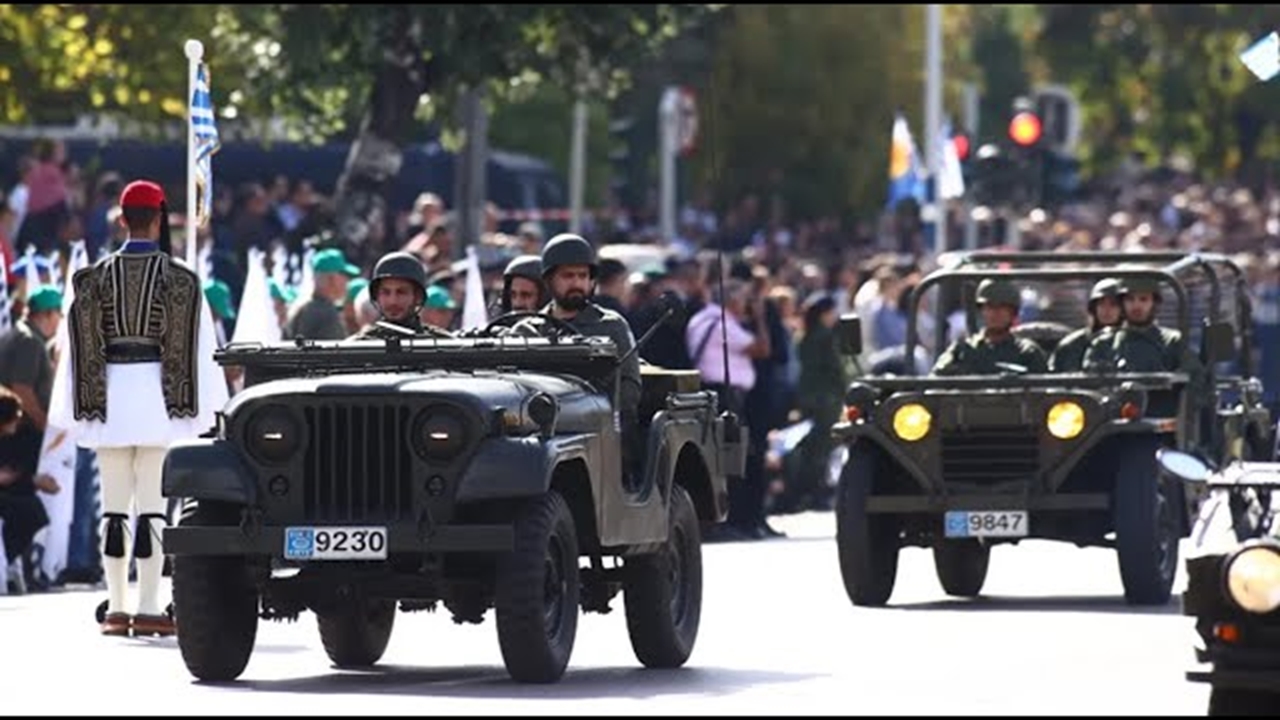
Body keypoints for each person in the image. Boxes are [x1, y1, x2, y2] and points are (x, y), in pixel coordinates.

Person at [48, 179, 228, 637]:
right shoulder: (183, 279)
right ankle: (149, 606)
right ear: (160, 217)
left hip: (107, 400)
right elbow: (200, 349)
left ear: (122, 219)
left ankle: (116, 607)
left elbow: (76, 352)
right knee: (152, 509)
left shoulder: (90, 279)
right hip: (158, 402)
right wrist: (205, 408)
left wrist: (78, 406)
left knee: (113, 509)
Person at [932, 278, 1048, 376]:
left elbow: (1046, 393)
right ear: (981, 311)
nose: (995, 314)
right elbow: (936, 380)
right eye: (990, 307)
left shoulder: (1027, 352)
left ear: (1013, 313)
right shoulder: (962, 350)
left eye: (1002, 307)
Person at [349, 251, 448, 340]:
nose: (393, 301)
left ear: (417, 296)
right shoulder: (358, 346)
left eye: (401, 292)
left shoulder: (442, 344)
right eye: (386, 292)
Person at [283, 248, 360, 340]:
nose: (347, 282)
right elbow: (334, 353)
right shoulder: (326, 314)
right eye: (344, 276)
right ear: (332, 279)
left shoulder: (300, 306)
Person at [1049, 278, 1123, 373]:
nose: (1107, 310)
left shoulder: (1128, 344)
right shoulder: (1070, 346)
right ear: (1093, 308)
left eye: (1113, 305)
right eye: (1101, 304)